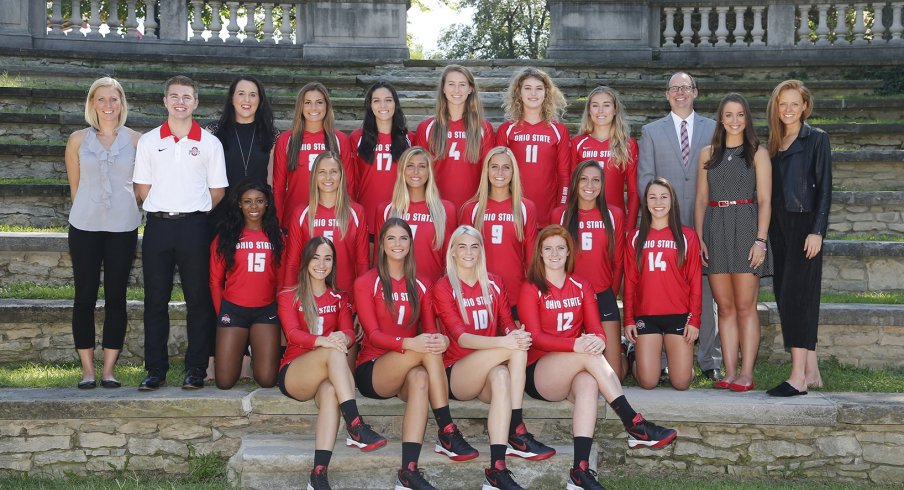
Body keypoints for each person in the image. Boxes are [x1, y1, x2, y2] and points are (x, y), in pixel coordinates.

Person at [519, 225, 677, 490]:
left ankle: (580, 471)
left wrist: (596, 340)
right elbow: (535, 337)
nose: (555, 253)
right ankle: (634, 424)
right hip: (540, 371)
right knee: (589, 358)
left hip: (574, 365)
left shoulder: (581, 285)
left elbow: (597, 331)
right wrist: (577, 344)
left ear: (569, 251)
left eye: (560, 247)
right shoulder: (531, 287)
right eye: (548, 249)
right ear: (540, 254)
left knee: (589, 384)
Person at [354, 218, 478, 490]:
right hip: (374, 369)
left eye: (403, 238)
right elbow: (373, 335)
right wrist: (413, 343)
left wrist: (441, 338)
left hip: (410, 368)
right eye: (391, 238)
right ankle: (447, 430)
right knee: (425, 349)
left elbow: (431, 331)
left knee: (422, 376)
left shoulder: (422, 283)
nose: (397, 244)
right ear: (382, 244)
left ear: (411, 244)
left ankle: (408, 471)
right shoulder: (367, 282)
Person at [433, 226, 554, 490]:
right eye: (462, 246)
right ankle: (517, 428)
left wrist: (515, 333)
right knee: (516, 348)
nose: (468, 252)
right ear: (452, 252)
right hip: (458, 373)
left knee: (503, 373)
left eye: (474, 246)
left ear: (481, 250)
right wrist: (507, 342)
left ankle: (497, 468)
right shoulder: (444, 287)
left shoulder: (495, 283)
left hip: (489, 372)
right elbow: (462, 338)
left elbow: (507, 324)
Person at [133, 75, 228, 391]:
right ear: (165, 101)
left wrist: (191, 209)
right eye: (174, 96)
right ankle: (155, 370)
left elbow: (217, 191)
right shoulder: (149, 141)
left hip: (194, 227)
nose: (180, 102)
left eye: (187, 97)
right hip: (158, 226)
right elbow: (142, 189)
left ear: (196, 102)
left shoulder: (210, 143)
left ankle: (196, 369)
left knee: (198, 301)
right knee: (155, 301)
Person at [277, 237, 387, 490]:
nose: (321, 263)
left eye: (327, 258)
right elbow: (292, 334)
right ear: (306, 260)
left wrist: (342, 336)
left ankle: (318, 473)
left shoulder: (339, 297)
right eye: (316, 257)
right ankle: (355, 425)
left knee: (329, 392)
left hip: (325, 376)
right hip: (295, 373)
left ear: (333, 263)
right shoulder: (288, 296)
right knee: (335, 352)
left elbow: (349, 333)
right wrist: (326, 341)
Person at [638, 72, 722, 382]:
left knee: (705, 291)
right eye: (674, 88)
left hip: (705, 223)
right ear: (667, 94)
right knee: (658, 287)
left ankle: (710, 359)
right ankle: (660, 358)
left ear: (696, 92)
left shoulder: (713, 129)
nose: (680, 93)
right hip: (664, 223)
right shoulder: (651, 132)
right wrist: (660, 214)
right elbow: (645, 179)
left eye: (685, 87)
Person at [65, 76, 141, 389]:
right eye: (101, 99)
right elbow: (75, 187)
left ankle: (109, 369)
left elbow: (142, 187)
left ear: (122, 103)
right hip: (84, 226)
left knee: (116, 298)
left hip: (123, 228)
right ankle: (87, 370)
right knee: (84, 297)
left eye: (114, 99)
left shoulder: (137, 140)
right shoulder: (78, 140)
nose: (108, 105)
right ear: (92, 104)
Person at [694, 93, 773, 392]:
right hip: (715, 227)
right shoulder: (708, 153)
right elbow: (701, 199)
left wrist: (761, 240)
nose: (735, 120)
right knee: (724, 307)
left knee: (745, 307)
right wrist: (701, 236)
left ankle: (747, 373)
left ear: (747, 118)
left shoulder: (757, 152)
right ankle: (728, 371)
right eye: (729, 114)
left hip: (746, 226)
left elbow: (765, 200)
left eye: (740, 114)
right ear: (721, 118)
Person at [765, 80, 832, 397]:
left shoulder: (816, 139)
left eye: (794, 103)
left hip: (804, 226)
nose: (788, 109)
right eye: (782, 104)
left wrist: (817, 230)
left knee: (797, 299)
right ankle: (811, 369)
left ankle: (797, 378)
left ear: (805, 106)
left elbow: (825, 188)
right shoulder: (775, 143)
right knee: (785, 294)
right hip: (779, 229)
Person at [551, 160, 626, 381]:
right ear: (575, 183)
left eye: (595, 180)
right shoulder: (560, 215)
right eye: (583, 179)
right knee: (575, 370)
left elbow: (618, 262)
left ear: (603, 185)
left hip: (602, 294)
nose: (589, 185)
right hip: (570, 297)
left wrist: (609, 294)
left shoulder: (614, 215)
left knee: (615, 376)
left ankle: (626, 356)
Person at [625, 178, 701, 390]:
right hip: (646, 315)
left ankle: (680, 364)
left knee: (681, 382)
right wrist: (629, 319)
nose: (658, 202)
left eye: (663, 196)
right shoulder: (635, 237)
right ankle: (633, 356)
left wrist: (694, 320)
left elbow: (695, 281)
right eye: (652, 197)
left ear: (672, 201)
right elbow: (630, 281)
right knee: (648, 382)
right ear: (646, 203)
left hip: (679, 314)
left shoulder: (687, 236)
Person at [209, 180, 284, 389]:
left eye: (259, 201)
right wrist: (221, 314)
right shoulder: (226, 237)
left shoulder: (277, 237)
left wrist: (280, 312)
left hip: (265, 311)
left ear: (267, 204)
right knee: (224, 382)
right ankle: (243, 349)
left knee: (267, 380)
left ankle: (257, 353)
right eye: (247, 202)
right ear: (239, 205)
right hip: (233, 310)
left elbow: (282, 281)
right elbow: (215, 281)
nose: (253, 207)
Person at [460, 146, 537, 316]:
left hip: (516, 293)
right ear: (486, 170)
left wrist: (530, 292)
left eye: (506, 167)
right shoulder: (472, 209)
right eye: (494, 166)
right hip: (480, 294)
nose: (500, 172)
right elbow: (461, 258)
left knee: (517, 342)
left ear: (513, 171)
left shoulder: (526, 208)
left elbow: (531, 258)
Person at [283, 152, 369, 298]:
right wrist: (289, 299)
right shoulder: (301, 213)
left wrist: (362, 302)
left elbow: (362, 263)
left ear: (341, 176)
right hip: (309, 299)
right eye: (322, 172)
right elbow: (292, 262)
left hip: (345, 297)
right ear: (314, 176)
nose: (328, 177)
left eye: (333, 172)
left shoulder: (356, 212)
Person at [496, 67, 570, 227]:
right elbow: (496, 173)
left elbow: (564, 175)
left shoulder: (558, 130)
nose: (533, 94)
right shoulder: (507, 130)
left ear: (546, 93)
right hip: (514, 212)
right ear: (519, 92)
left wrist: (561, 208)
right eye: (527, 88)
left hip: (547, 213)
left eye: (539, 89)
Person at [416, 64, 495, 211]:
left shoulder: (483, 128)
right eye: (451, 84)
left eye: (462, 84)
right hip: (435, 207)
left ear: (471, 88)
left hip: (474, 207)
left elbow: (489, 172)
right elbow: (418, 172)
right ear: (443, 89)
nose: (457, 90)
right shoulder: (427, 127)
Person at [272, 82, 352, 225]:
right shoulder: (286, 140)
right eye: (308, 102)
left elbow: (349, 184)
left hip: (331, 220)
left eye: (319, 102)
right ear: (300, 107)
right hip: (293, 220)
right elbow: (278, 187)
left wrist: (347, 218)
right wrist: (277, 222)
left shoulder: (340, 140)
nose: (313, 108)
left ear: (327, 106)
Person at [374, 147, 456, 285]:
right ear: (402, 171)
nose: (416, 172)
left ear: (429, 171)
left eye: (422, 166)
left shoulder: (445, 210)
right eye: (410, 166)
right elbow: (379, 258)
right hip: (396, 292)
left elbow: (450, 260)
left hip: (432, 289)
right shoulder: (386, 210)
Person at [208, 75, 279, 227]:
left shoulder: (272, 135)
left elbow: (271, 181)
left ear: (260, 100)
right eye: (241, 93)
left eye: (253, 95)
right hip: (219, 215)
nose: (247, 99)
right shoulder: (212, 132)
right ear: (232, 98)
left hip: (257, 215)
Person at [350, 81, 414, 236]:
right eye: (376, 101)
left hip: (399, 216)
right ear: (370, 106)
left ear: (395, 104)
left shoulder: (409, 139)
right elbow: (352, 180)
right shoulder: (357, 138)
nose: (383, 105)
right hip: (366, 215)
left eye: (388, 100)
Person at [571, 86, 639, 227]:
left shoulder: (627, 145)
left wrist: (629, 226)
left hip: (614, 220)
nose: (600, 111)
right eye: (595, 105)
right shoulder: (578, 143)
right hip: (583, 221)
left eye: (606, 105)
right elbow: (571, 186)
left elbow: (633, 191)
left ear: (615, 110)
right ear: (589, 111)